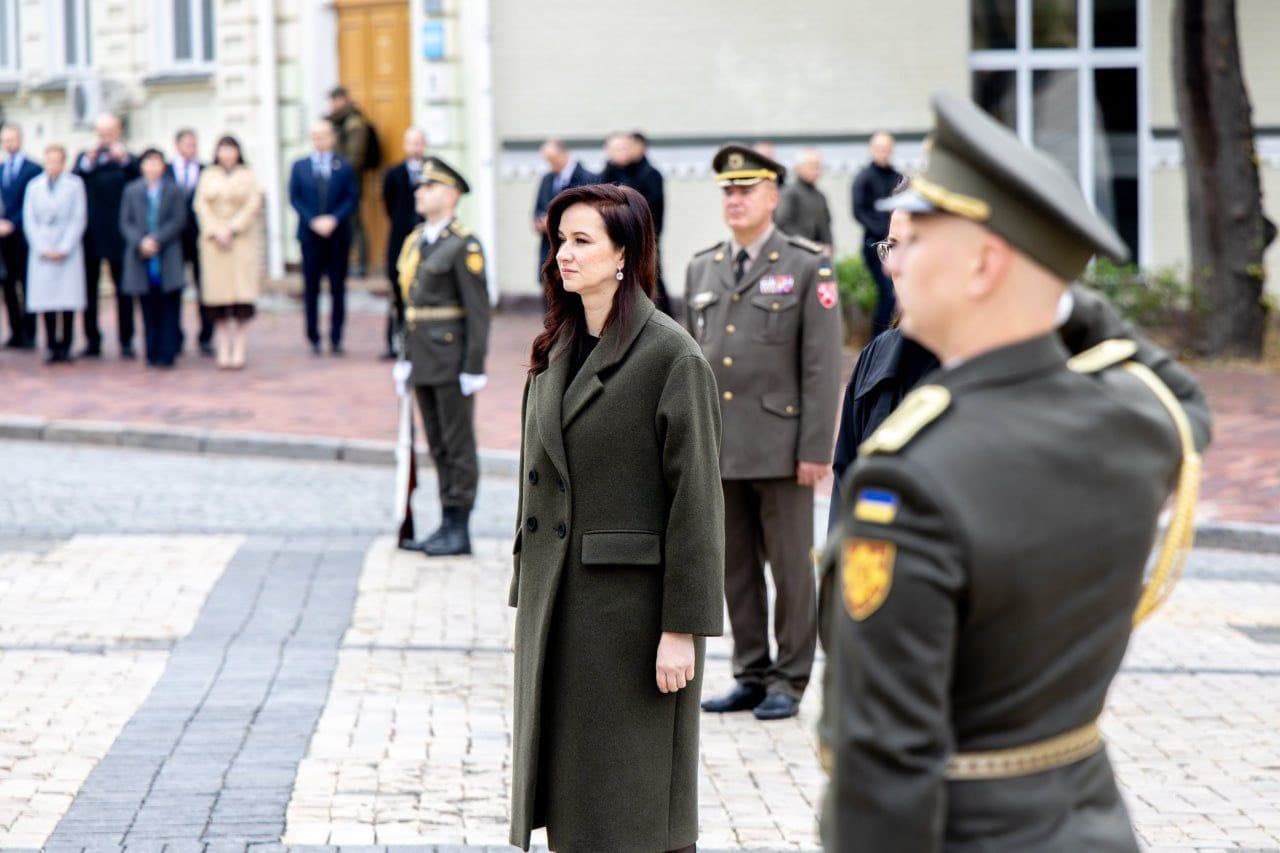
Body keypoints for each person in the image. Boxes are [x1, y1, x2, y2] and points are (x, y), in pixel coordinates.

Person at [820, 92, 1213, 852]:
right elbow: (1177, 390)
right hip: (1090, 822)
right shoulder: (1137, 422)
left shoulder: (910, 482)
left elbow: (883, 773)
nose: (893, 255)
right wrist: (1046, 282)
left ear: (983, 263)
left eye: (916, 238)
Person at [508, 182, 723, 853]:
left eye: (581, 241)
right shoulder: (557, 346)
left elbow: (697, 502)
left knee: (634, 806)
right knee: (573, 805)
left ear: (624, 254)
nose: (563, 255)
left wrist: (681, 628)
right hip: (559, 604)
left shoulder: (671, 354)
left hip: (630, 619)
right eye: (559, 241)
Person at [686, 144, 842, 722]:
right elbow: (692, 363)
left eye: (745, 190)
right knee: (735, 567)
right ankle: (750, 671)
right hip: (722, 444)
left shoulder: (805, 266)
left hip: (782, 447)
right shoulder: (703, 266)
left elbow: (822, 366)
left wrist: (815, 448)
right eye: (728, 191)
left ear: (772, 196)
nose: (735, 199)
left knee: (791, 569)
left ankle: (791, 678)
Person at [395, 158, 491, 557]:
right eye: (419, 187)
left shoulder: (463, 244)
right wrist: (404, 355)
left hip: (451, 359)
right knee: (436, 443)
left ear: (451, 195)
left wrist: (474, 366)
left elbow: (478, 311)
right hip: (422, 356)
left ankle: (459, 525)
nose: (420, 192)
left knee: (457, 443)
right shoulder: (418, 240)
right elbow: (407, 306)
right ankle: (444, 523)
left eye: (429, 187)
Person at [193, 136, 264, 370]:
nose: (227, 154)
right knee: (218, 300)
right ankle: (223, 346)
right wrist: (215, 230)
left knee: (241, 299)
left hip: (240, 242)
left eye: (231, 149)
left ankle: (240, 346)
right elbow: (201, 205)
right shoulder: (208, 175)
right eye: (223, 149)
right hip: (215, 244)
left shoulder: (248, 175)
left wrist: (232, 229)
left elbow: (253, 204)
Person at [73, 113, 140, 358]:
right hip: (90, 234)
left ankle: (126, 340)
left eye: (109, 132)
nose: (105, 138)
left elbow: (138, 179)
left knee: (124, 290)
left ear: (119, 131)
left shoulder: (128, 158)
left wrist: (122, 158)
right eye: (101, 133)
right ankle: (92, 340)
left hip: (119, 234)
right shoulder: (85, 158)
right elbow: (75, 180)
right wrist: (89, 160)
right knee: (89, 291)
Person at [289, 120, 358, 355]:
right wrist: (313, 221)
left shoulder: (344, 166)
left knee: (338, 287)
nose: (320, 140)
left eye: (324, 136)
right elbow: (295, 197)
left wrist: (333, 219)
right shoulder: (300, 166)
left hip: (337, 235)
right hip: (310, 236)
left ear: (332, 137)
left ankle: (336, 336)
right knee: (311, 287)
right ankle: (313, 336)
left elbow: (351, 197)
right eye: (315, 136)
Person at [119, 148, 188, 369]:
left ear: (163, 166)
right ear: (142, 167)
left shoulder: (173, 190)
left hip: (166, 254)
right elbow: (125, 222)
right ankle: (151, 351)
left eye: (156, 163)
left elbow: (178, 220)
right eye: (148, 163)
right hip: (141, 256)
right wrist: (141, 242)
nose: (152, 168)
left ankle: (168, 352)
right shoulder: (132, 190)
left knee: (169, 305)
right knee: (147, 306)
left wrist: (158, 239)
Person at [22, 144, 86, 364]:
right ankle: (50, 345)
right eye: (49, 160)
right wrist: (42, 246)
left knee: (67, 300)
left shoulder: (75, 185)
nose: (53, 165)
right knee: (46, 301)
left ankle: (66, 345)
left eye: (57, 160)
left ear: (64, 161)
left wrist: (65, 246)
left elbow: (78, 217)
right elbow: (29, 219)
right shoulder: (34, 186)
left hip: (67, 247)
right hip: (43, 247)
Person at [600, 131, 671, 315]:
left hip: (646, 236)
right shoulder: (612, 171)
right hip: (619, 236)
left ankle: (664, 319)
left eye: (626, 147)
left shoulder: (650, 174)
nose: (624, 152)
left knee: (651, 279)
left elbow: (641, 204)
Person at [380, 127, 427, 359]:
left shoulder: (431, 172)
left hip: (423, 238)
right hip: (400, 239)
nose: (415, 147)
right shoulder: (394, 173)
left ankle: (419, 342)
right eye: (411, 143)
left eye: (419, 143)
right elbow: (388, 203)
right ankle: (394, 341)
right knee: (397, 292)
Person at [167, 128, 213, 357]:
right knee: (175, 287)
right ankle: (175, 335)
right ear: (177, 145)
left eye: (194, 144)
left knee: (204, 287)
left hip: (200, 237)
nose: (191, 149)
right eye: (187, 144)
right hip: (173, 239)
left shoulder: (206, 171)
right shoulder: (166, 171)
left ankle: (206, 335)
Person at [851, 131, 903, 337]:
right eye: (880, 149)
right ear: (872, 150)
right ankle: (879, 340)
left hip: (897, 245)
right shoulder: (863, 178)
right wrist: (883, 231)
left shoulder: (896, 177)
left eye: (887, 149)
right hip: (875, 246)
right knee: (887, 295)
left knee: (896, 295)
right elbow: (858, 211)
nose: (884, 153)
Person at [0, 124, 42, 349]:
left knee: (27, 284)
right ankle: (15, 332)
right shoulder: (1, 169)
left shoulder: (33, 169)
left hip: (24, 236)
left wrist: (13, 223)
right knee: (7, 285)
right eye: (5, 140)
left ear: (21, 139)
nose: (9, 144)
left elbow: (32, 204)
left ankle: (29, 332)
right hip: (3, 238)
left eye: (12, 139)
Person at [533, 138, 598, 283]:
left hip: (576, 251)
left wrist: (555, 221)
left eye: (552, 159)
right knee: (549, 296)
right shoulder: (547, 179)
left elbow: (592, 216)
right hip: (550, 249)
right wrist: (539, 222)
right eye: (547, 160)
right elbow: (538, 210)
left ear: (564, 154)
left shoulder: (588, 178)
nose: (550, 164)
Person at [326, 86, 373, 276]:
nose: (333, 104)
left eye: (336, 100)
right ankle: (339, 262)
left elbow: (355, 156)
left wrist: (340, 173)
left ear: (344, 99)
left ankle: (360, 264)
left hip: (349, 181)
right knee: (336, 223)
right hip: (332, 182)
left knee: (354, 223)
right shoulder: (331, 122)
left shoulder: (354, 122)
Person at [774, 148, 833, 253]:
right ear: (798, 167)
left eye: (818, 166)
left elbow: (826, 225)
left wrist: (829, 245)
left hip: (818, 253)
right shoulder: (789, 193)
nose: (816, 170)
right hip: (794, 252)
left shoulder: (820, 196)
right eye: (812, 166)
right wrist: (808, 244)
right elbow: (782, 224)